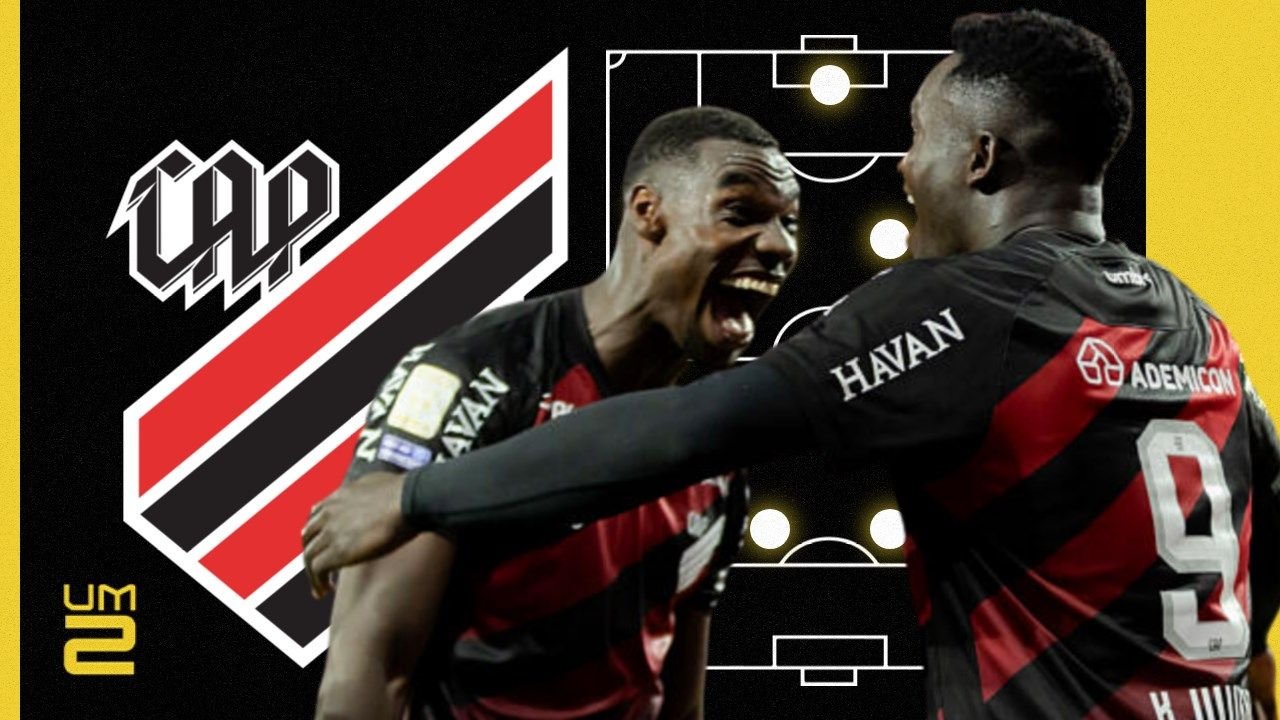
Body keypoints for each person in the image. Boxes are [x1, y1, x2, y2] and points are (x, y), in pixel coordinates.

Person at [304, 11, 1280, 719]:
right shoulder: (1198, 325)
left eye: (917, 138)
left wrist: (415, 497)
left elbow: (693, 431)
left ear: (980, 158)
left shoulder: (969, 306)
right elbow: (1262, 529)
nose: (904, 169)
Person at [311, 106, 800, 719]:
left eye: (789, 222)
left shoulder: (718, 434)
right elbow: (367, 682)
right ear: (647, 211)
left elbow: (679, 698)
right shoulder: (476, 375)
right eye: (740, 213)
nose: (781, 246)